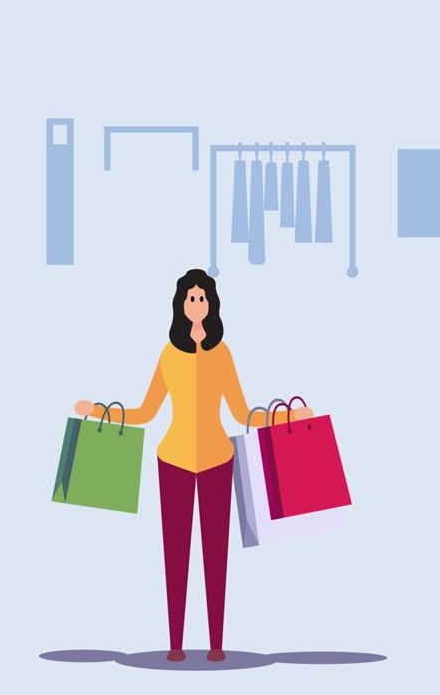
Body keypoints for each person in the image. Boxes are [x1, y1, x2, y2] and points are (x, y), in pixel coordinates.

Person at [74, 269, 312, 662]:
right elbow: (145, 411)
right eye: (191, 298)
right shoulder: (169, 355)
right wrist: (97, 411)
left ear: (211, 305)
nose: (197, 305)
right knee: (175, 554)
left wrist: (285, 419)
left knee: (216, 555)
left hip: (218, 459)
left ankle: (217, 645)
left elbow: (240, 410)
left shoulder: (223, 354)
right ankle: (176, 645)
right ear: (181, 305)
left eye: (202, 298)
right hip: (173, 462)